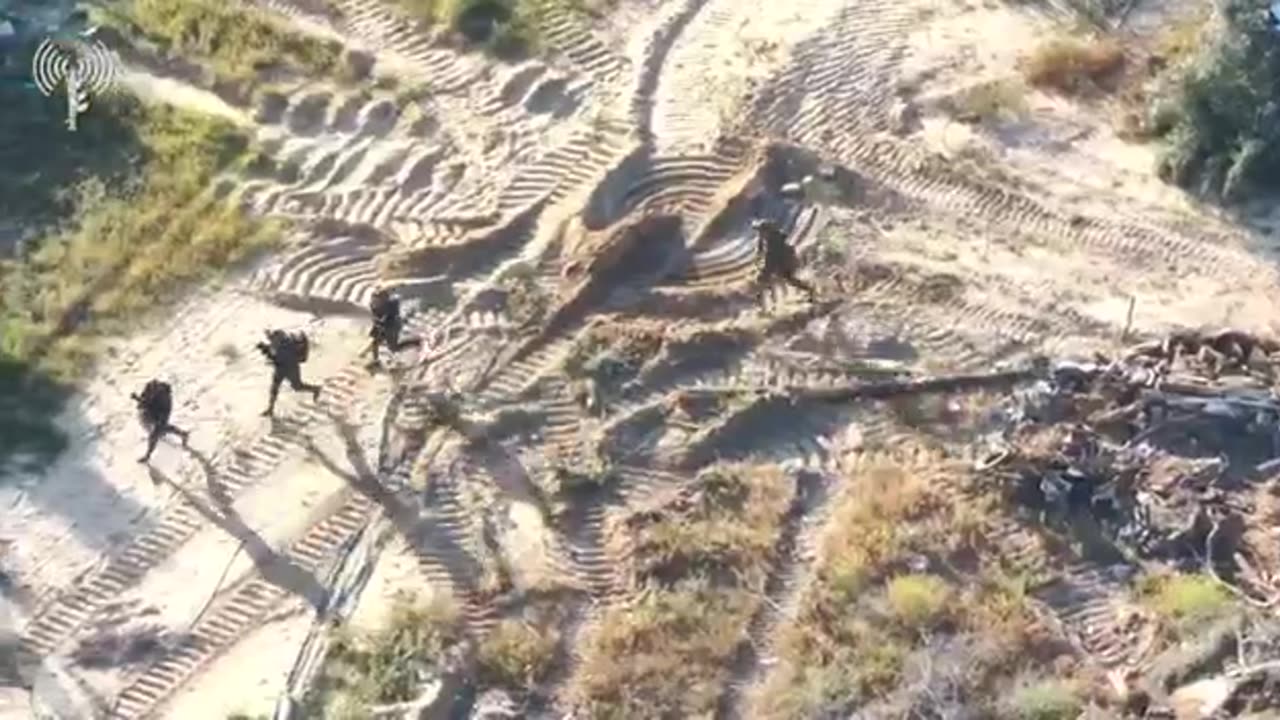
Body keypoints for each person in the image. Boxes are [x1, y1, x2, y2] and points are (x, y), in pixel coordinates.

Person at [256, 329, 321, 417]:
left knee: (297, 387)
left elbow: (277, 357)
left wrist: (265, 350)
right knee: (274, 389)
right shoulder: (280, 341)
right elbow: (274, 354)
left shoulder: (284, 345)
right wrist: (266, 349)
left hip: (290, 369)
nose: (271, 340)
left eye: (272, 338)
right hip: (281, 369)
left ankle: (315, 389)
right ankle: (270, 409)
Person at [752, 218, 816, 303]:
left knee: (769, 278)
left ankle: (765, 299)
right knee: (786, 279)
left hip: (785, 262)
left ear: (767, 231)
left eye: (761, 232)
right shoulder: (771, 239)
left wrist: (766, 271)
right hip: (786, 261)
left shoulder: (773, 242)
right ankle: (809, 290)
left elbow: (771, 258)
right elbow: (761, 250)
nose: (760, 234)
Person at [131, 379, 188, 464]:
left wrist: (137, 399)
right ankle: (183, 434)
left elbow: (149, 405)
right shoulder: (151, 387)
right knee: (164, 429)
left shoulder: (164, 399)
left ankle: (147, 456)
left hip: (159, 416)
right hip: (151, 414)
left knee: (155, 434)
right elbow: (146, 401)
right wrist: (139, 399)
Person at [365, 288, 421, 368]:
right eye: (374, 298)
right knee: (375, 343)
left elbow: (385, 319)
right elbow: (376, 317)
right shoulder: (373, 305)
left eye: (377, 299)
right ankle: (376, 361)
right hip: (382, 326)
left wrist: (379, 324)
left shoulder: (390, 307)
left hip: (392, 327)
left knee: (393, 348)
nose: (375, 301)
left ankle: (414, 342)